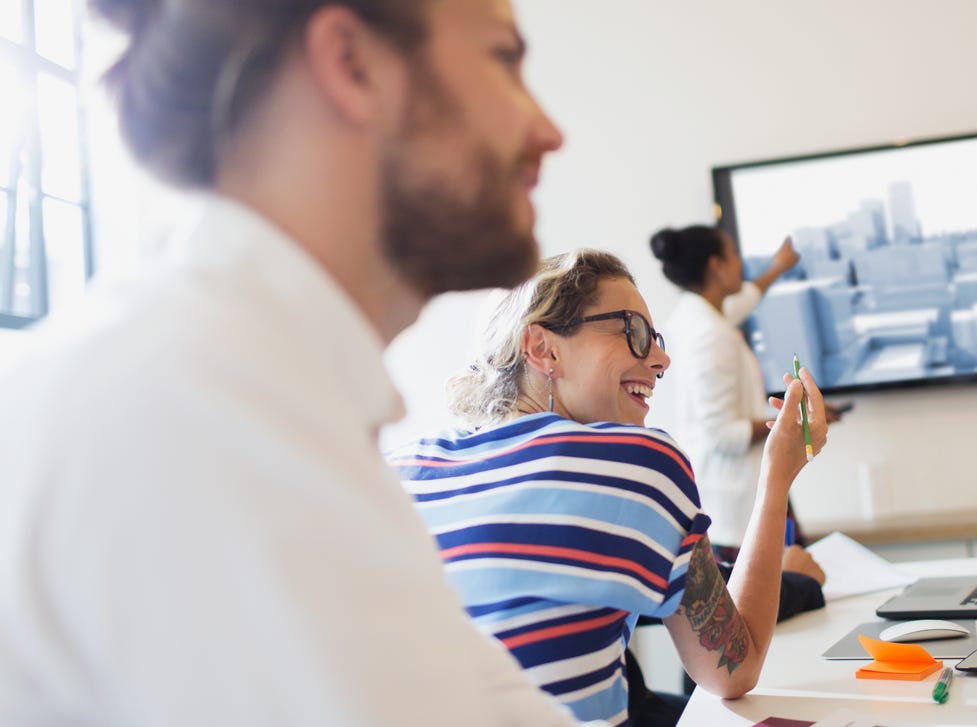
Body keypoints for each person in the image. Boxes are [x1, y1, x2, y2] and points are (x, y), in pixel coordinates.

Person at [0, 1, 604, 725]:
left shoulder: (262, 387)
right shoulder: (204, 411)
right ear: (352, 64)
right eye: (504, 60)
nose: (549, 129)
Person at [390, 249, 828, 725]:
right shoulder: (639, 462)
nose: (661, 360)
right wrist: (777, 476)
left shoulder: (401, 469)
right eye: (633, 332)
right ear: (543, 348)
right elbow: (733, 672)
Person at [650, 225, 841, 567]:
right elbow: (724, 434)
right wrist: (793, 422)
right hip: (738, 509)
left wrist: (778, 267)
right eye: (734, 255)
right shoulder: (711, 335)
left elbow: (743, 301)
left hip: (725, 500)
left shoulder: (693, 317)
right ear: (716, 266)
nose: (741, 263)